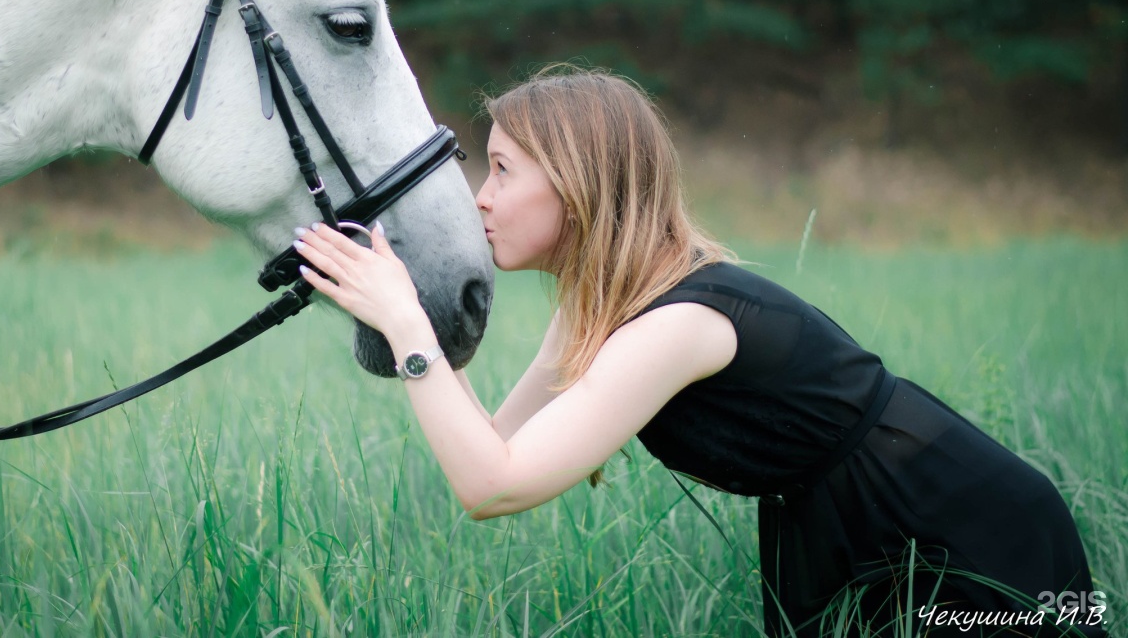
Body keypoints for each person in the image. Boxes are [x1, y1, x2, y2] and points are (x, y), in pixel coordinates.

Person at [291, 65, 1105, 638]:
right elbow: (495, 450)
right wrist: (412, 321)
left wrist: (405, 328)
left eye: (502, 170)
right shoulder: (607, 310)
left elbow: (491, 489)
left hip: (962, 532)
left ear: (578, 184)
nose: (482, 197)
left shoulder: (678, 326)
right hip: (852, 529)